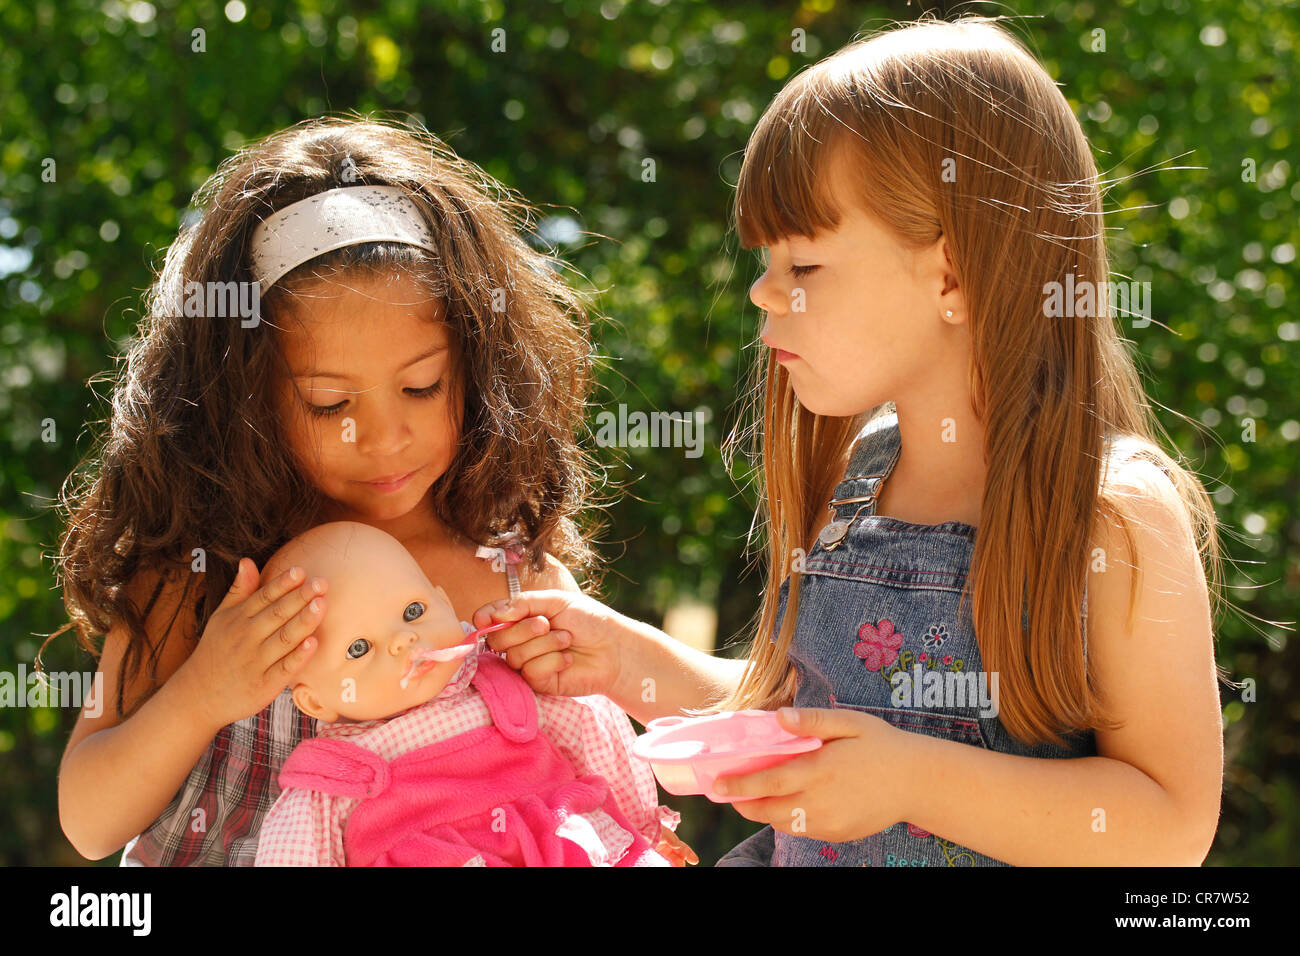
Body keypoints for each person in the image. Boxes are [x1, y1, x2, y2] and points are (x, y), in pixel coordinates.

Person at [471, 17, 1225, 866]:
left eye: (804, 267)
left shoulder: (1111, 513)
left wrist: (912, 781)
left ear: (952, 275)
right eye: (766, 263)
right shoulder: (862, 475)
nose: (761, 293)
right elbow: (815, 721)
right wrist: (624, 658)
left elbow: (1169, 825)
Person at [53, 116, 615, 865]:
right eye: (329, 403)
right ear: (243, 398)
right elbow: (89, 820)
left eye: (422, 386)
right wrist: (205, 692)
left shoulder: (514, 576)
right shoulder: (204, 573)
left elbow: (584, 764)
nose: (383, 438)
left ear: (478, 365)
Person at [250, 521, 677, 866]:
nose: (402, 641)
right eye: (358, 648)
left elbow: (595, 737)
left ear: (443, 603)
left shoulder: (507, 686)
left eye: (412, 612)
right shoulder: (334, 780)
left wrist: (644, 829)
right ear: (315, 702)